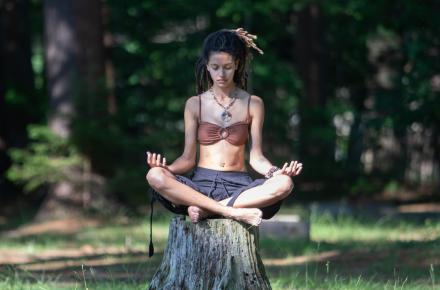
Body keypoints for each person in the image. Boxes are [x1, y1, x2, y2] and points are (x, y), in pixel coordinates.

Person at [146, 28, 303, 229]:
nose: (221, 74)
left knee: (285, 184)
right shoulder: (195, 104)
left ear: (237, 64)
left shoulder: (253, 103)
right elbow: (187, 159)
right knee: (154, 176)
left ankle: (207, 210)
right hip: (201, 184)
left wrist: (276, 171)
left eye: (227, 67)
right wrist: (165, 169)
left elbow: (256, 157)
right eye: (215, 67)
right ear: (207, 66)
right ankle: (229, 211)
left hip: (239, 186)